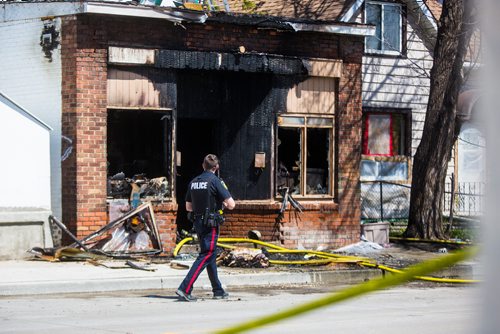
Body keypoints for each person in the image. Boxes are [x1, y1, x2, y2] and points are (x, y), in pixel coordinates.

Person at [176, 154, 235, 302]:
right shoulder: (215, 181)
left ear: (203, 166)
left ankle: (218, 290)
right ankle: (185, 288)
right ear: (216, 167)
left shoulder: (194, 181)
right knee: (207, 254)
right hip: (211, 223)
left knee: (211, 255)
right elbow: (231, 204)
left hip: (198, 222)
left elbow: (189, 207)